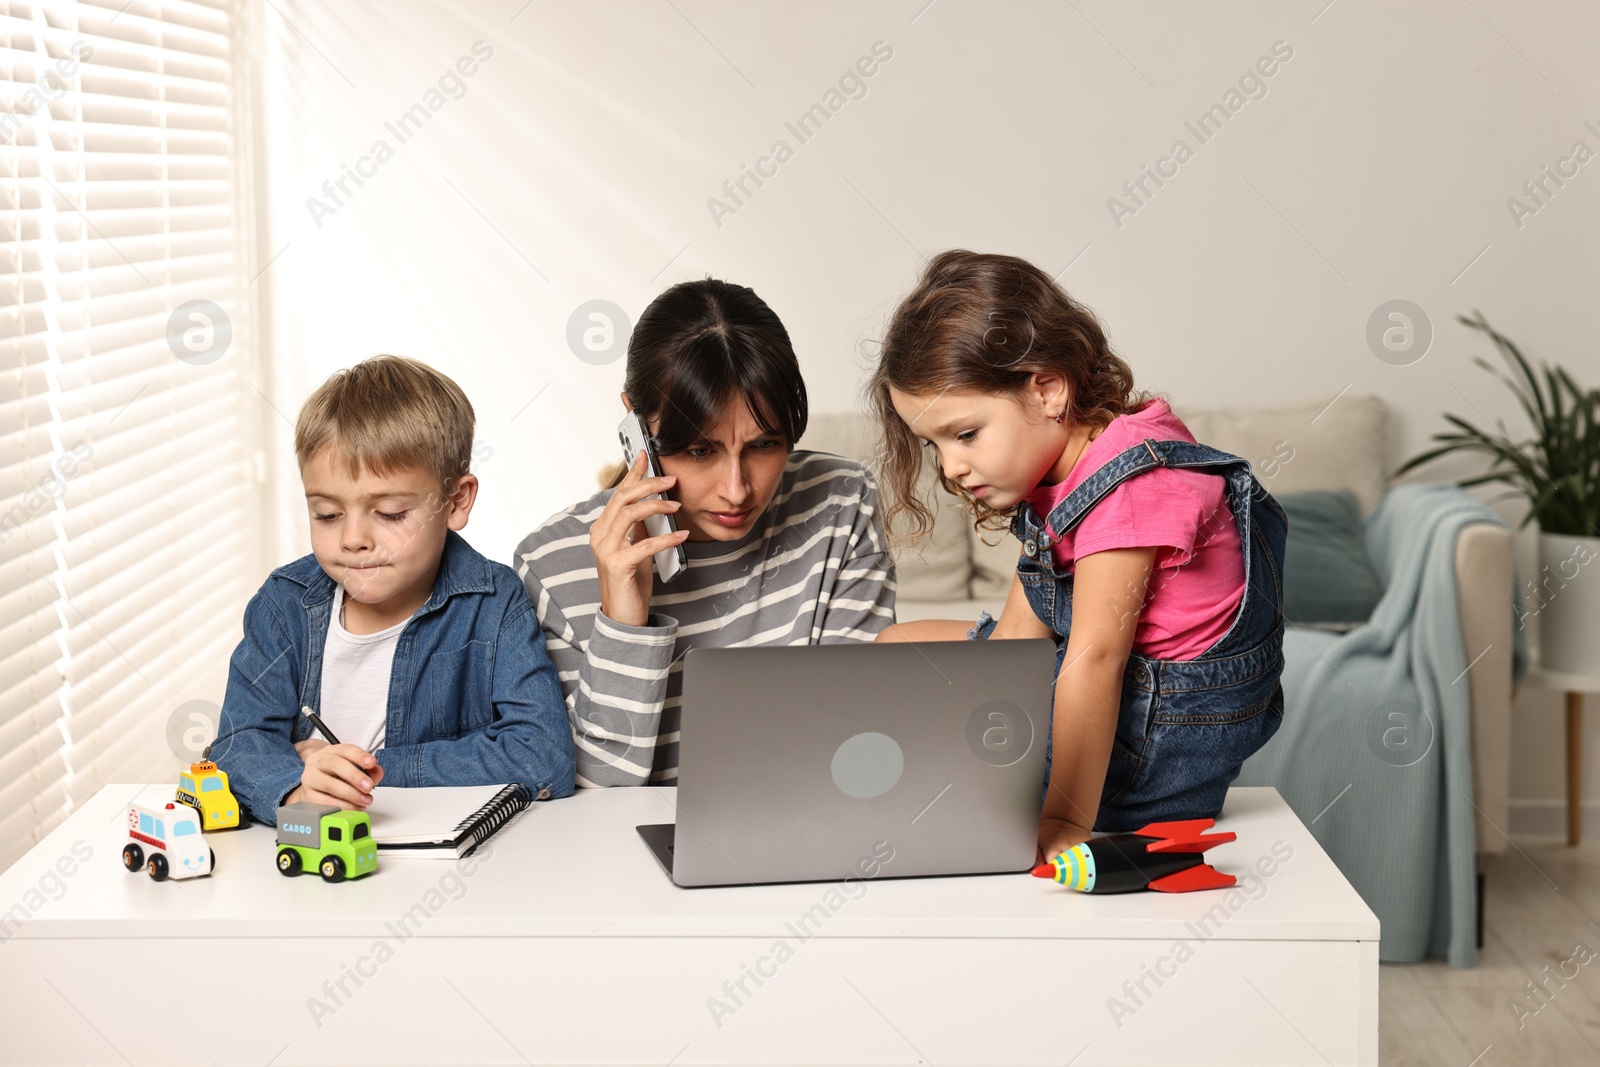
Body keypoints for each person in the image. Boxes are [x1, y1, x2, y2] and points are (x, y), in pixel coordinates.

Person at [870, 250, 1288, 863]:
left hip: (1154, 741)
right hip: (1113, 695)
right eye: (932, 444)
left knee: (941, 765)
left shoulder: (1127, 486)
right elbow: (1020, 638)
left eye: (964, 434)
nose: (951, 467)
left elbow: (1094, 662)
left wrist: (1063, 820)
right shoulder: (1069, 466)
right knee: (894, 648)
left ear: (1048, 389)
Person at [515, 278, 896, 787]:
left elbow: (859, 733)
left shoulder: (840, 501)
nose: (737, 490)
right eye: (699, 452)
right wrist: (622, 623)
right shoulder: (550, 563)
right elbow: (598, 793)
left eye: (764, 445)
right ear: (635, 425)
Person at [212, 355, 576, 823]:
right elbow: (237, 743)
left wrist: (365, 768)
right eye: (326, 514)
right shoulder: (284, 605)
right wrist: (295, 791)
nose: (352, 539)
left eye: (389, 513)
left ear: (456, 501)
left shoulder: (494, 601)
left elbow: (544, 757)